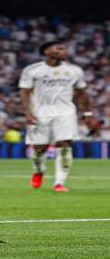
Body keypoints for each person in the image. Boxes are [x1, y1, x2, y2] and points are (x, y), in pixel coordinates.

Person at [19, 40, 94, 192]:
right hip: (40, 112)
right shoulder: (32, 70)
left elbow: (82, 92)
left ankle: (59, 183)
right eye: (59, 49)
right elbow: (25, 92)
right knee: (39, 149)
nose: (64, 51)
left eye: (64, 49)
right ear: (46, 52)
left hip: (65, 112)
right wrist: (27, 112)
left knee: (65, 145)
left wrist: (87, 112)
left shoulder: (74, 70)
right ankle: (39, 170)